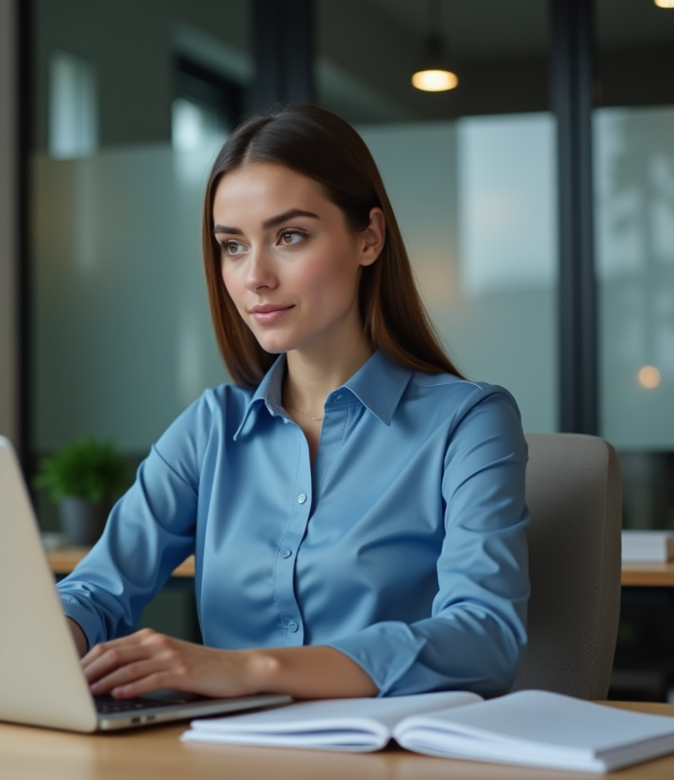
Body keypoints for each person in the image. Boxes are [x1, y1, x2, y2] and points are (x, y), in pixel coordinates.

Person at [57, 105, 530, 702]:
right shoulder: (211, 429)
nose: (255, 276)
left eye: (289, 236)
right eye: (232, 246)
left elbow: (484, 638)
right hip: (225, 756)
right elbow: (95, 591)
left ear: (370, 238)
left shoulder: (469, 422)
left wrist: (250, 670)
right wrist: (47, 641)